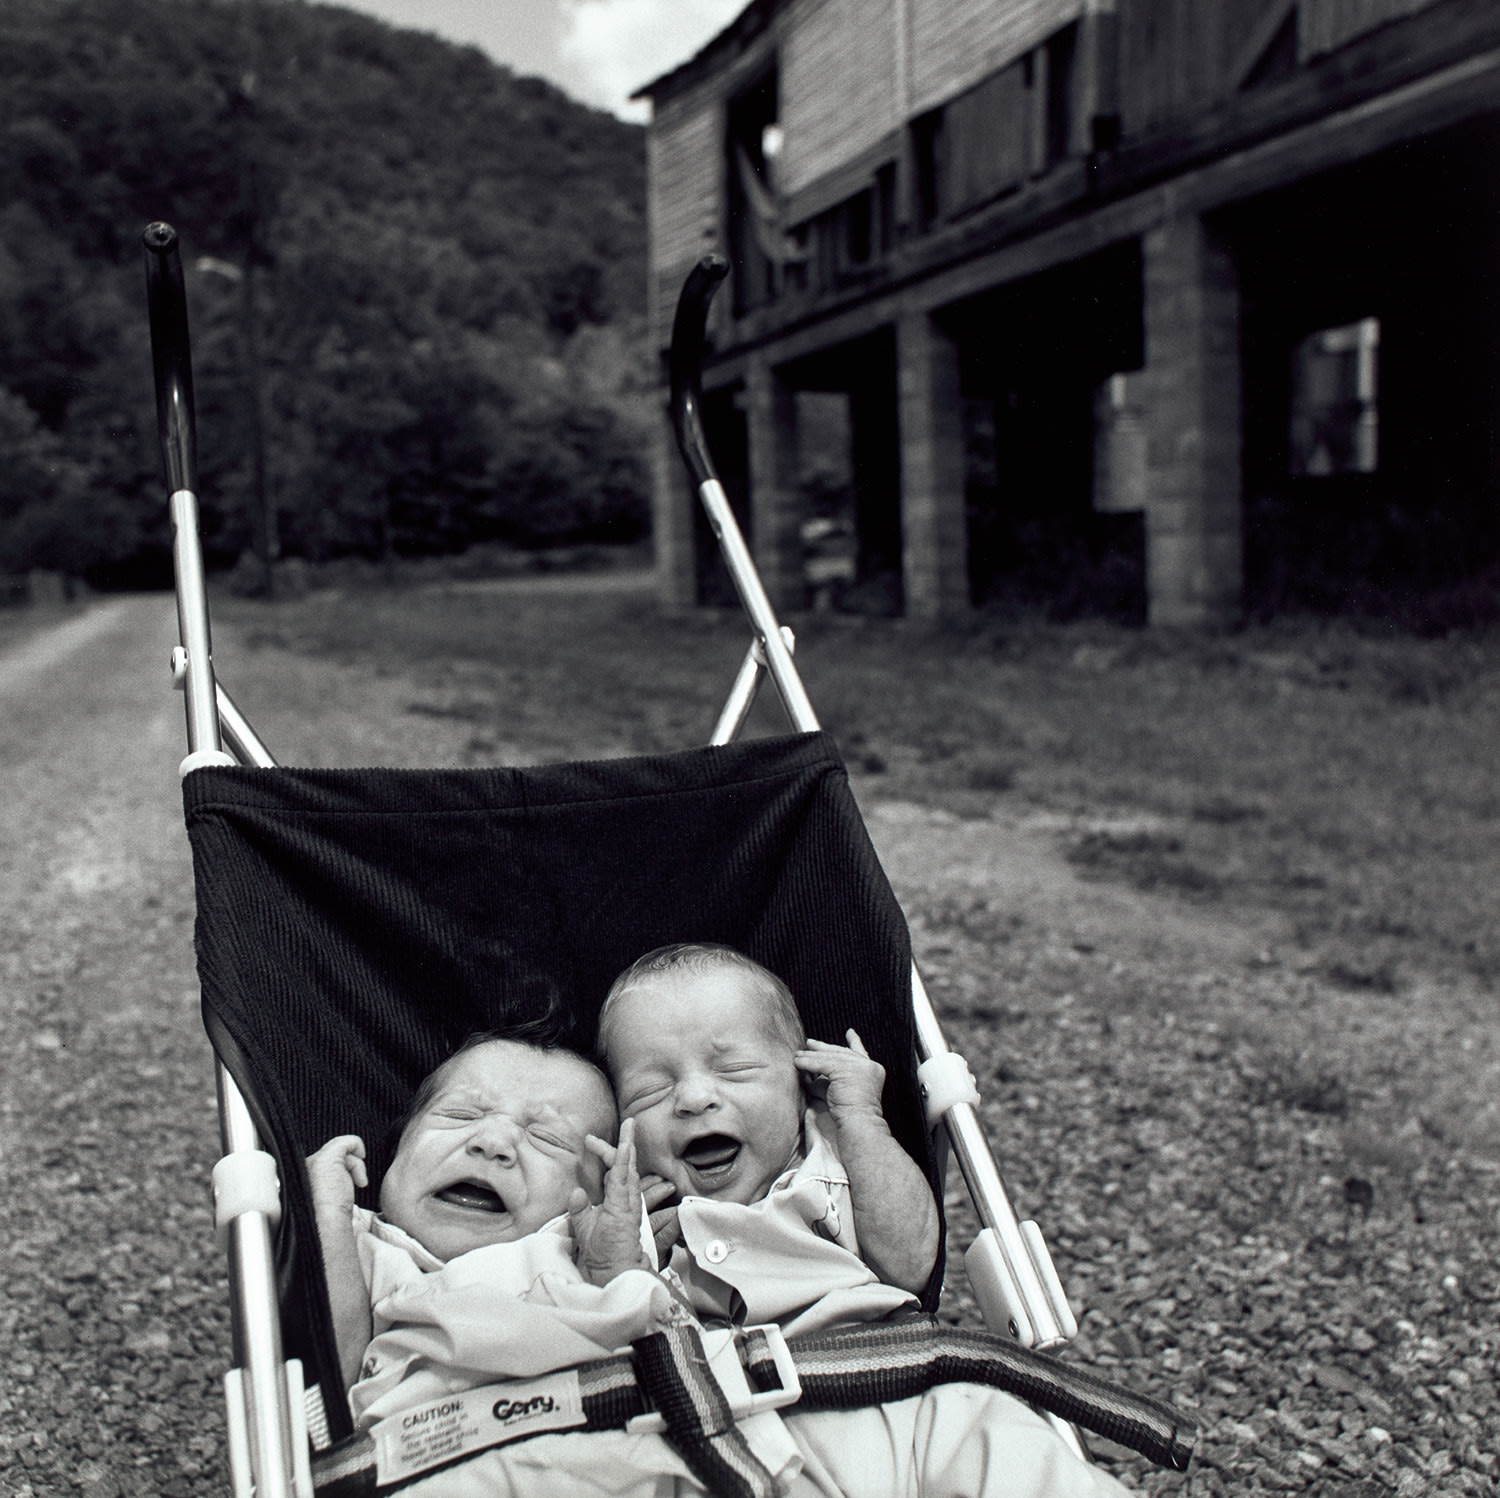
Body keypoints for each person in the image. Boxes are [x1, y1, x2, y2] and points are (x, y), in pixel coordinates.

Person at [597, 943, 1134, 1498]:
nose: (693, 1097)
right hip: (734, 1429)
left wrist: (862, 1121)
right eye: (651, 1091)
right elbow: (595, 1337)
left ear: (802, 1082)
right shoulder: (632, 1216)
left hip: (898, 1394)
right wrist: (617, 1268)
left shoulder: (833, 1161)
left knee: (1004, 1445)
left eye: (733, 1069)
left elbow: (909, 1265)